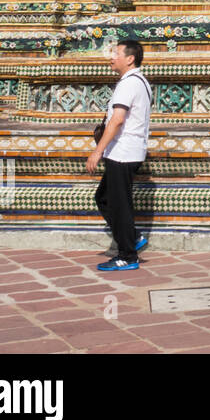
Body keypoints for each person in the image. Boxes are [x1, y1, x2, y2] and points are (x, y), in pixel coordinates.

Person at [88, 40, 151, 272]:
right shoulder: (140, 82)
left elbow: (117, 120)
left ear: (130, 58)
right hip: (128, 150)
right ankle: (131, 237)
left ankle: (128, 254)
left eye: (116, 53)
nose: (111, 57)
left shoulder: (129, 84)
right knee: (105, 198)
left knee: (119, 205)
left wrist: (98, 151)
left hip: (123, 152)